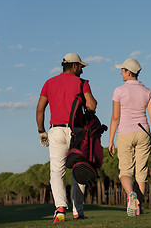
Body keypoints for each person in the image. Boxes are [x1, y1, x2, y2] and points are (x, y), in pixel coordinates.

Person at [36, 53, 97, 222]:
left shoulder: (49, 82)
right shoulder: (82, 83)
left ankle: (60, 209)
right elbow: (91, 105)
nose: (82, 70)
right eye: (81, 67)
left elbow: (40, 109)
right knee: (79, 169)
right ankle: (78, 211)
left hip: (55, 131)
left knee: (57, 171)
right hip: (77, 131)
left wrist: (41, 131)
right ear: (75, 66)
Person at [108, 58, 151, 216]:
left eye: (122, 70)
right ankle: (139, 207)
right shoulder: (147, 91)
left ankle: (131, 195)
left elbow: (115, 117)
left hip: (125, 132)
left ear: (128, 72)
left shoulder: (119, 91)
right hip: (143, 132)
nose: (120, 72)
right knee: (141, 172)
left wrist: (110, 140)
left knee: (125, 171)